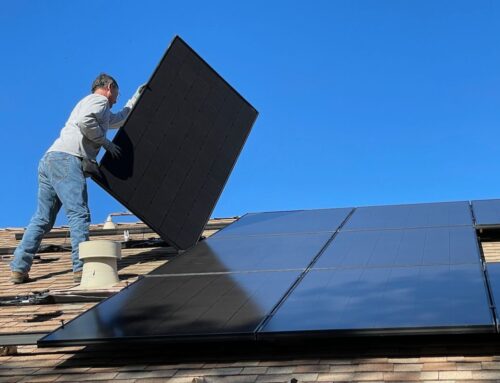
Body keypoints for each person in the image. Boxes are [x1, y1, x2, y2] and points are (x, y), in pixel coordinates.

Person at [10, 73, 144, 284]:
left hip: (50, 160)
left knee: (42, 219)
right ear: (109, 87)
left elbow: (118, 120)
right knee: (79, 213)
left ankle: (19, 267)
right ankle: (81, 269)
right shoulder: (99, 101)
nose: (117, 97)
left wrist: (136, 98)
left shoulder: (93, 105)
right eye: (117, 92)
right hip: (67, 159)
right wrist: (105, 143)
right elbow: (85, 122)